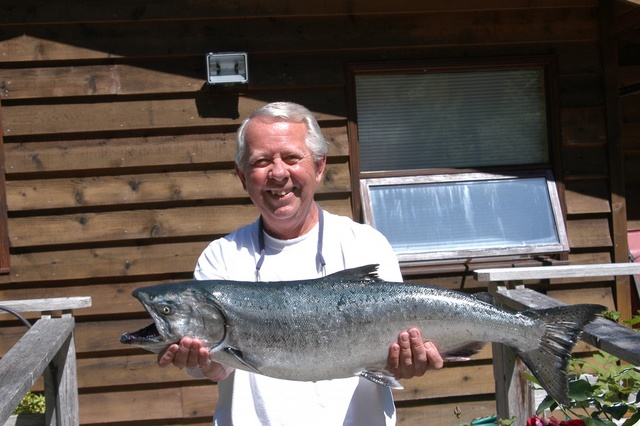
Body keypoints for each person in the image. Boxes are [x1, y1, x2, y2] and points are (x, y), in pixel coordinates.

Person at [158, 102, 443, 425]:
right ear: (242, 177)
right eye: (261, 161)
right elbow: (220, 365)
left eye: (292, 158)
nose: (278, 174)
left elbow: (397, 348)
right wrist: (205, 362)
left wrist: (407, 359)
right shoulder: (220, 257)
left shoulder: (366, 244)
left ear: (320, 167)